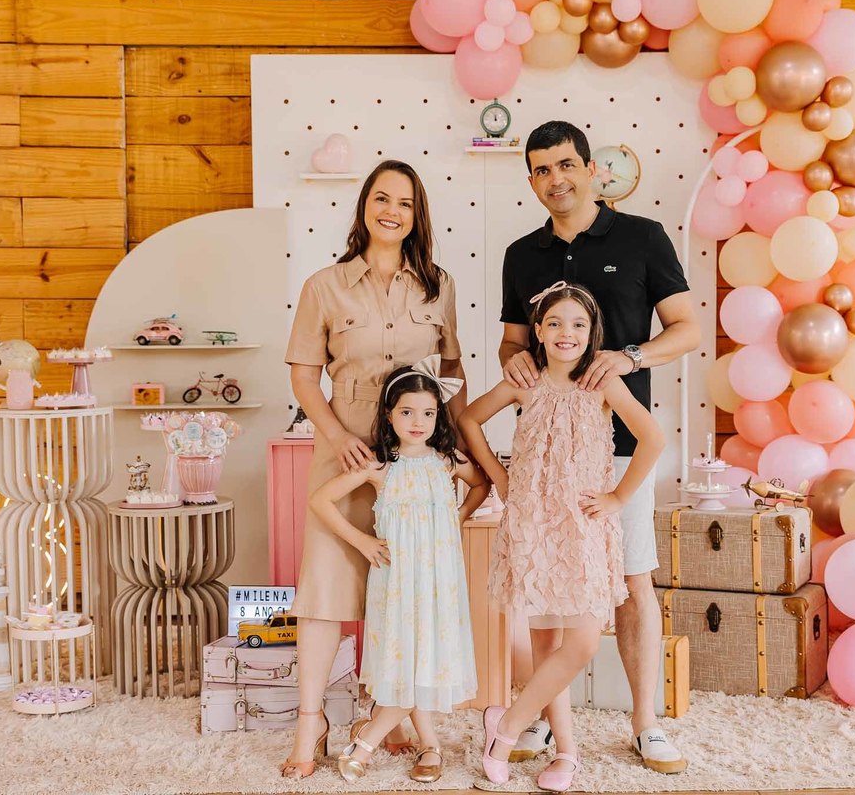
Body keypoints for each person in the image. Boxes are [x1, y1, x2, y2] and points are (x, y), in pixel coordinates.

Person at [498, 120, 700, 774]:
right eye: (541, 169)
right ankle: (541, 719)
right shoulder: (520, 254)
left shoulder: (643, 236)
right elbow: (511, 343)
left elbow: (687, 328)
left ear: (590, 169)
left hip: (619, 449)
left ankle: (646, 724)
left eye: (565, 165)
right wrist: (511, 362)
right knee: (545, 588)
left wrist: (629, 356)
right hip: (547, 456)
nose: (555, 179)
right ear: (532, 180)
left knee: (633, 580)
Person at [282, 160, 466, 779]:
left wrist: (457, 452)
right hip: (347, 451)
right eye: (382, 198)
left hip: (413, 460)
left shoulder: (439, 286)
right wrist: (337, 437)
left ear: (418, 216)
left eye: (405, 203)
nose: (392, 211)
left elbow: (451, 376)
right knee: (325, 590)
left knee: (406, 591)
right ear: (364, 205)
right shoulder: (324, 286)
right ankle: (311, 721)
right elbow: (304, 377)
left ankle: (397, 717)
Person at [459, 282, 665, 791]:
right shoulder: (524, 382)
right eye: (554, 323)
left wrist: (617, 498)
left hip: (583, 528)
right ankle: (566, 752)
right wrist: (500, 478)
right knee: (546, 642)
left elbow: (653, 437)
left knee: (583, 640)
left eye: (577, 324)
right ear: (538, 330)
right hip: (534, 525)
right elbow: (468, 419)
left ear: (592, 332)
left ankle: (506, 727)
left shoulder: (602, 383)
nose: (565, 333)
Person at [310, 358, 488, 783]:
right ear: (389, 415)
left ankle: (373, 741)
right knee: (406, 658)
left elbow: (483, 484)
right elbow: (320, 501)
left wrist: (458, 517)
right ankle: (421, 746)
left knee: (428, 656)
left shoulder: (447, 461)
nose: (418, 422)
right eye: (407, 412)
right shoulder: (380, 466)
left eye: (428, 413)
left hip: (439, 579)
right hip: (396, 580)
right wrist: (363, 542)